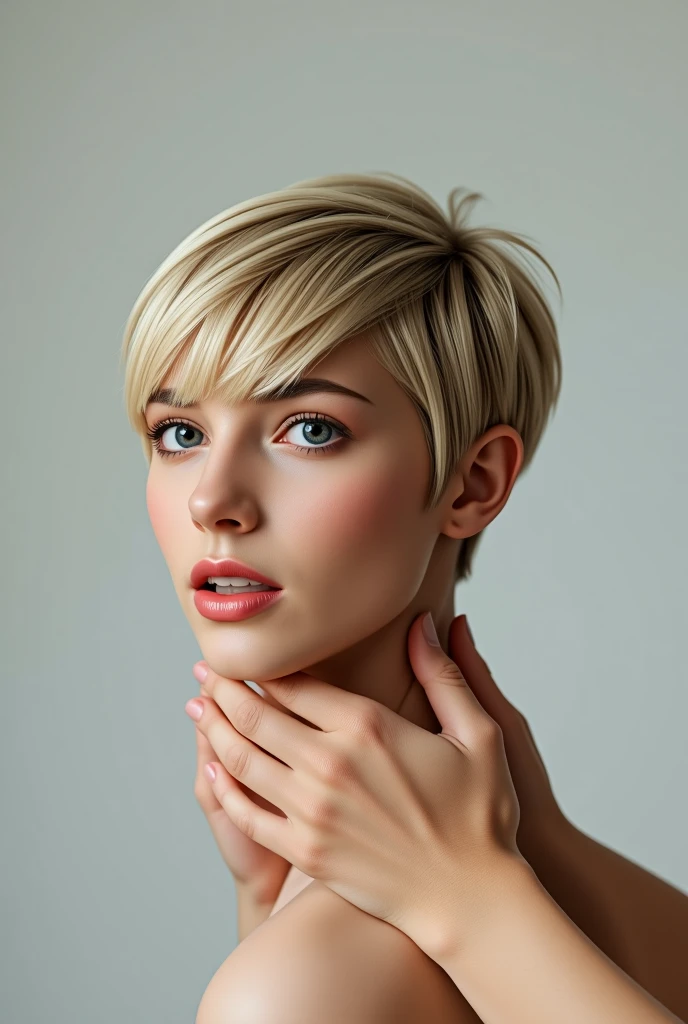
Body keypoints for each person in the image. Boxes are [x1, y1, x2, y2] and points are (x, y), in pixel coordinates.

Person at [120, 172, 686, 1022]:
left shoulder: (295, 987)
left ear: (474, 481)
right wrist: (267, 895)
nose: (211, 500)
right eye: (180, 434)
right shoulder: (615, 899)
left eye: (310, 429)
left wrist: (466, 901)